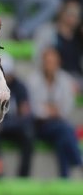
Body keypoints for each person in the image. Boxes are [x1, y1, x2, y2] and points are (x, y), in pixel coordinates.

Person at [29, 47, 82, 178]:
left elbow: (66, 108)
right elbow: (34, 109)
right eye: (48, 62)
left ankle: (65, 177)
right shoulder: (33, 80)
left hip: (58, 125)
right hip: (40, 125)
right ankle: (79, 161)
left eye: (53, 62)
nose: (50, 65)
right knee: (66, 129)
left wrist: (48, 109)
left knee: (62, 139)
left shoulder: (65, 79)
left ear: (58, 63)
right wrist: (52, 110)